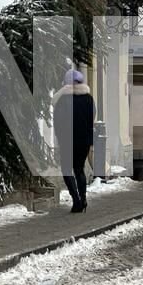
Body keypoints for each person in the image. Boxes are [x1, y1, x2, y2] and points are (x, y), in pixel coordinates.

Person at [53, 69, 95, 213]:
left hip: (67, 141)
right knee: (79, 169)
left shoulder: (62, 99)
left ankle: (76, 200)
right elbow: (92, 119)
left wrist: (60, 138)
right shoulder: (89, 99)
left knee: (66, 170)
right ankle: (83, 198)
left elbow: (57, 122)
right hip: (84, 141)